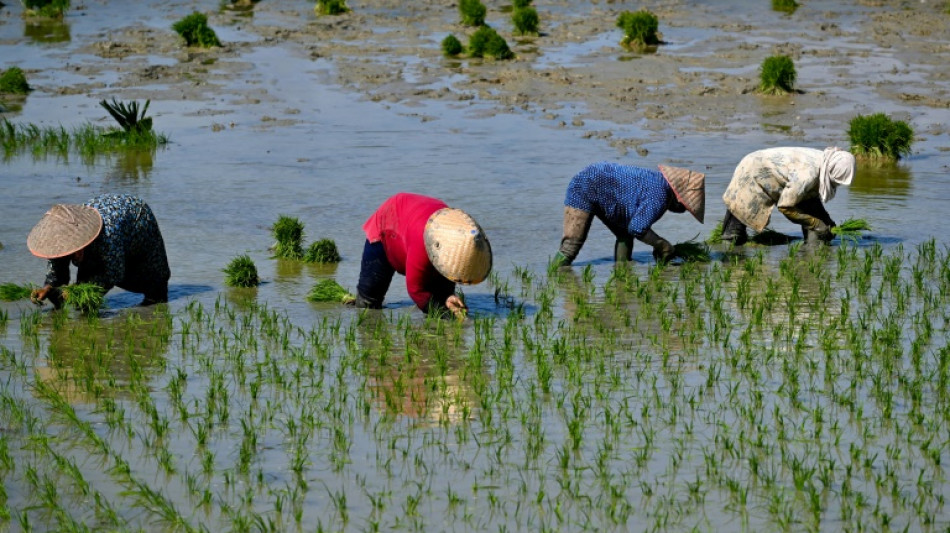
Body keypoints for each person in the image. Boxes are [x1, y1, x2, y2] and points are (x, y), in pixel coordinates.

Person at [353, 192, 492, 317]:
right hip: (389, 224)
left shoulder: (456, 238)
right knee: (368, 304)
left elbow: (447, 277)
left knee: (439, 295)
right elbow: (416, 289)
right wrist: (442, 313)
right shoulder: (423, 241)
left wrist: (446, 298)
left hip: (413, 218)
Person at [28, 194, 171, 307]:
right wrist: (48, 287)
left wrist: (79, 290)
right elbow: (56, 271)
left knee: (155, 292)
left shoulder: (109, 234)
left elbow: (113, 272)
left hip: (137, 218)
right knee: (82, 299)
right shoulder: (58, 238)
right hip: (105, 229)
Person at [552, 161, 706, 266]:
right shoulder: (661, 194)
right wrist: (664, 246)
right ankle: (553, 276)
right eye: (684, 207)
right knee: (570, 246)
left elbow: (631, 228)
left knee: (624, 234)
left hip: (601, 186)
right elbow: (638, 228)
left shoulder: (659, 183)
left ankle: (622, 271)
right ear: (678, 197)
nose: (681, 210)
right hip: (584, 186)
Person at [720, 147, 856, 245]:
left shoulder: (825, 163)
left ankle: (811, 253)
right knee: (735, 233)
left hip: (779, 173)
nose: (835, 186)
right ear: (830, 173)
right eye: (834, 182)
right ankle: (730, 259)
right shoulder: (807, 175)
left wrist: (826, 222)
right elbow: (785, 207)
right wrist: (816, 223)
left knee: (822, 229)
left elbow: (810, 201)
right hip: (753, 172)